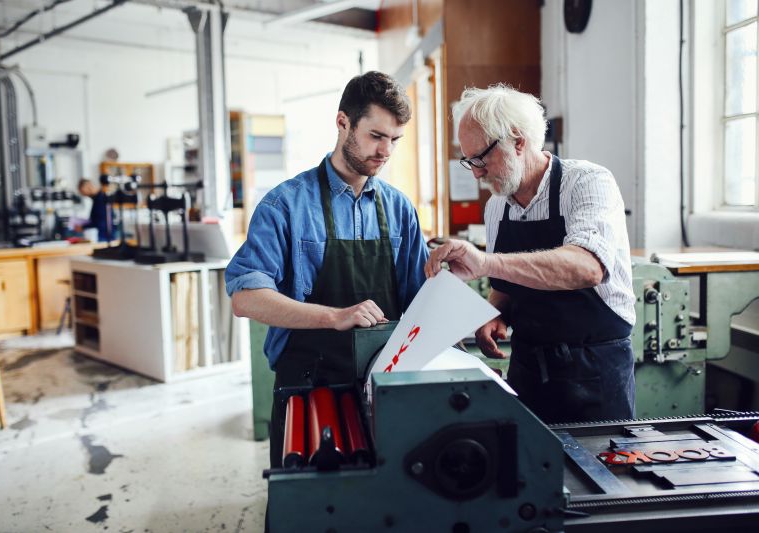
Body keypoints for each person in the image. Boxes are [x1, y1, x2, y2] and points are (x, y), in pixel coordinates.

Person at [225, 71, 429, 468]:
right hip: (308, 385)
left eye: (395, 140)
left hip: (383, 382)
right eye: (375, 136)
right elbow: (245, 298)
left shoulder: (400, 209)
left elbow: (418, 298)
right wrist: (335, 316)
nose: (386, 151)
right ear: (343, 123)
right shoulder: (284, 205)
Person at [425, 84, 636, 424]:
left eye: (482, 158)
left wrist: (484, 262)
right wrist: (494, 313)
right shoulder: (497, 207)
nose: (477, 172)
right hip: (528, 368)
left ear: (518, 141)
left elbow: (587, 267)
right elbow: (507, 285)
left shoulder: (587, 182)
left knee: (604, 470)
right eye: (469, 161)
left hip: (595, 369)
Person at [77, 177, 113, 242]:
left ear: (89, 186)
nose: (85, 195)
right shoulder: (96, 199)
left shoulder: (101, 199)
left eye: (83, 192)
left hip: (106, 235)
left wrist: (83, 227)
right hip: (103, 234)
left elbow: (100, 221)